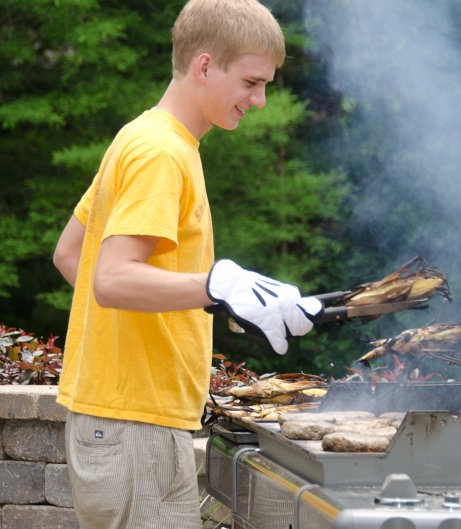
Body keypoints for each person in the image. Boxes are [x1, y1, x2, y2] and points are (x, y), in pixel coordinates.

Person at [51, 1, 322, 527]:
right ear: (203, 66)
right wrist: (216, 286)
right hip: (135, 425)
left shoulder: (145, 137)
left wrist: (168, 326)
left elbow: (71, 256)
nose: (260, 100)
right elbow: (109, 278)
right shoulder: (162, 154)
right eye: (250, 82)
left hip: (128, 419)